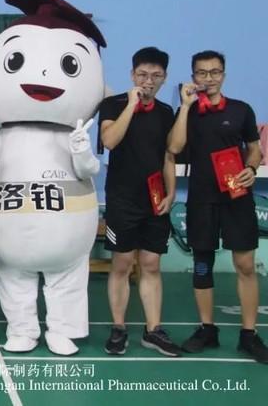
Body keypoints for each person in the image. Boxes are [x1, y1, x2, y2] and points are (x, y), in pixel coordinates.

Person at [167, 50, 267, 363]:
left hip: (237, 197)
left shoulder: (241, 110)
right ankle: (207, 330)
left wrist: (251, 168)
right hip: (201, 198)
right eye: (202, 73)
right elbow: (174, 147)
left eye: (215, 72)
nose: (208, 78)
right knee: (202, 266)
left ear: (223, 74)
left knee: (246, 265)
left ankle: (249, 335)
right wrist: (185, 107)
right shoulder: (187, 112)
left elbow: (254, 149)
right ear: (193, 76)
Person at [99, 47, 181, 357]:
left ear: (164, 78)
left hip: (155, 199)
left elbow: (168, 157)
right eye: (143, 74)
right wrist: (132, 106)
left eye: (156, 76)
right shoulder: (113, 105)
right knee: (122, 263)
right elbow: (109, 140)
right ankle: (119, 328)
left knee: (151, 263)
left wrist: (171, 194)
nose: (149, 81)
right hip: (122, 199)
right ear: (133, 75)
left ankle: (153, 330)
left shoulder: (165, 112)